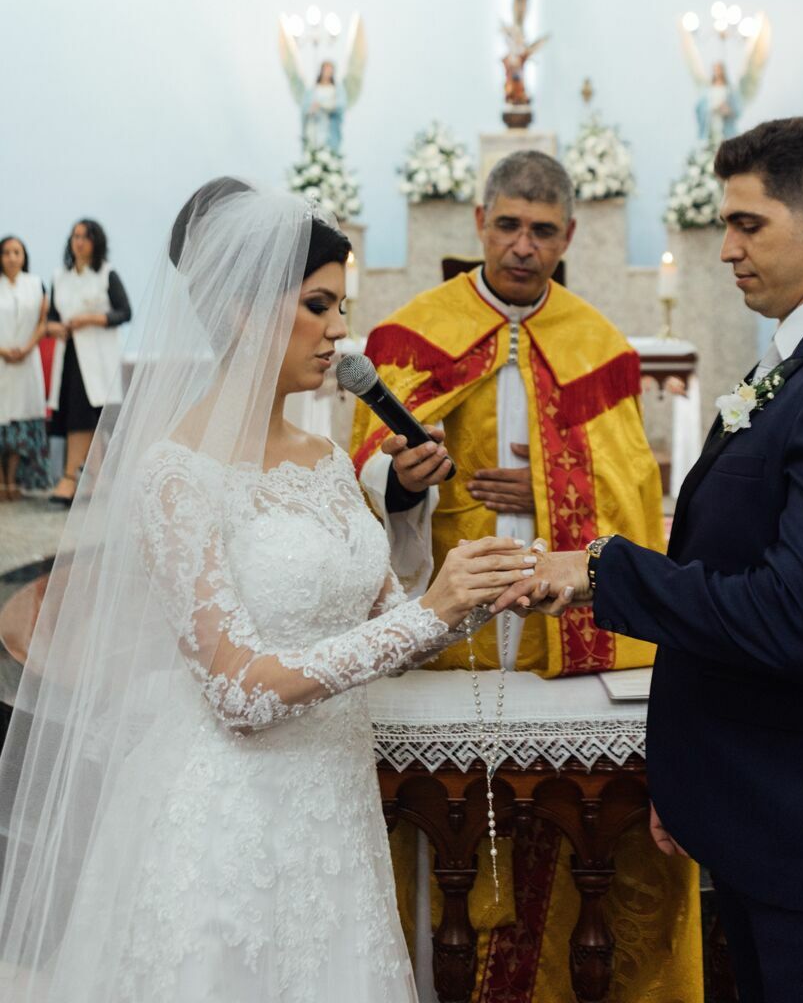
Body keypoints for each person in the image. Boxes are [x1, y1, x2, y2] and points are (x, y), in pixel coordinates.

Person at [0, 179, 535, 1002]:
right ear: (244, 311)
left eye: (340, 307)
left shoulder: (326, 459)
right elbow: (239, 693)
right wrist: (429, 613)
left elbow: (388, 627)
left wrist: (474, 592)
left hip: (334, 814)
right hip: (227, 821)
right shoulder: (176, 473)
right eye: (317, 305)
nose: (340, 330)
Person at [496, 118, 803, 1003]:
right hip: (774, 817)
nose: (725, 250)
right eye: (725, 224)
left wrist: (600, 572)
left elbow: (800, 619)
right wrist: (696, 781)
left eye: (748, 225)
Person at [351, 150, 700, 1003]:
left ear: (568, 236)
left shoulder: (598, 346)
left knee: (570, 825)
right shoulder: (412, 335)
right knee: (441, 838)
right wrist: (402, 481)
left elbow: (634, 492)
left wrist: (547, 487)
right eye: (506, 225)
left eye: (541, 231)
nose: (521, 245)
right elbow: (358, 474)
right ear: (479, 223)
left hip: (557, 645)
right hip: (448, 640)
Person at [46, 219, 132, 506]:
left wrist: (90, 319)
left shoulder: (107, 274)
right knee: (75, 412)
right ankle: (93, 478)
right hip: (70, 353)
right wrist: (54, 326)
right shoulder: (60, 277)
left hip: (98, 356)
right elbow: (53, 316)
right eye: (75, 236)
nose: (79, 242)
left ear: (96, 242)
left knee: (87, 415)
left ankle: (70, 477)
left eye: (85, 236)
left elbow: (124, 312)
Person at [0, 236, 49, 497]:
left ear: (24, 256)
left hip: (27, 360)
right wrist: (4, 350)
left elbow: (43, 321)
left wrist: (27, 347)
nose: (11, 257)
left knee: (20, 422)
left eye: (16, 252)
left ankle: (13, 479)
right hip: (2, 359)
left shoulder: (35, 284)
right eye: (6, 252)